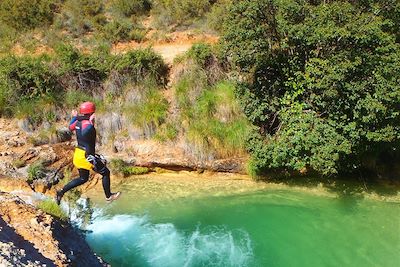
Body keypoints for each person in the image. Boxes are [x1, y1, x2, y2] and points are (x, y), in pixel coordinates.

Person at [56, 101, 120, 205]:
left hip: (78, 154)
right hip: (86, 156)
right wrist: (91, 123)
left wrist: (75, 117)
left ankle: (61, 192)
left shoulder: (77, 122)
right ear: (92, 112)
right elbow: (86, 133)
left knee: (83, 178)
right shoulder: (88, 126)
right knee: (105, 173)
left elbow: (70, 127)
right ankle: (109, 196)